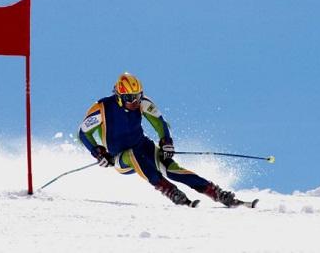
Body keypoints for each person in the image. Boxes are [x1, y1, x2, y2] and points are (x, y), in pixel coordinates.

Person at [78, 72, 242, 207]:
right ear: (119, 96)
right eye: (130, 98)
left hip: (143, 146)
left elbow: (159, 122)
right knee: (133, 154)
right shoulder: (102, 108)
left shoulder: (143, 102)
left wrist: (166, 142)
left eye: (137, 96)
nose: (134, 102)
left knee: (171, 168)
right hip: (120, 158)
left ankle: (215, 192)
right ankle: (169, 190)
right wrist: (98, 152)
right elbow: (83, 133)